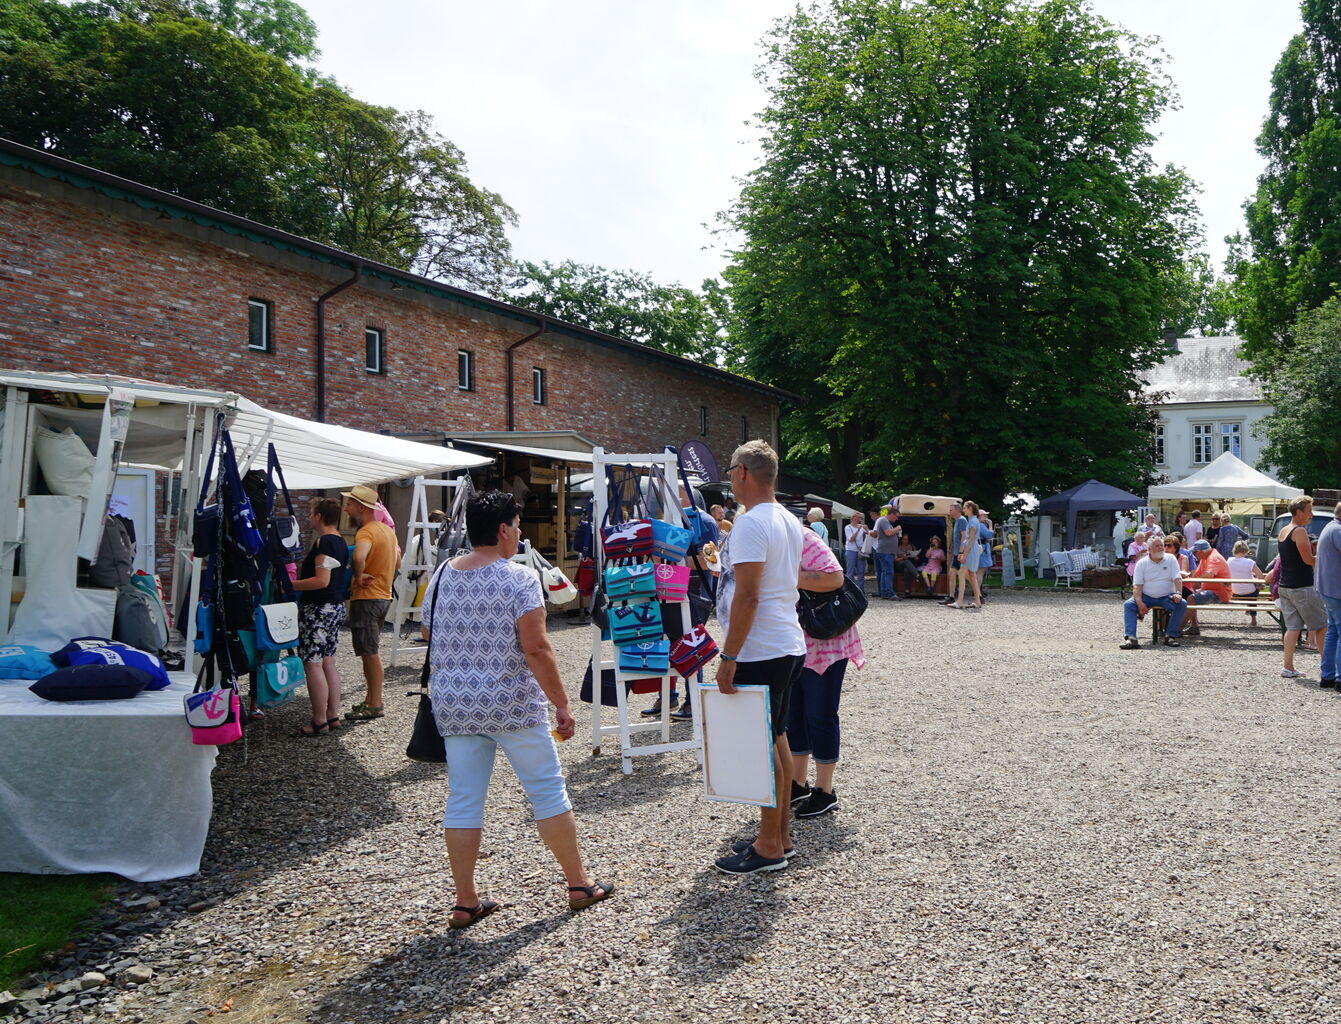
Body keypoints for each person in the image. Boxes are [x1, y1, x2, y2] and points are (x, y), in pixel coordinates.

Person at [422, 490, 613, 928]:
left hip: (455, 704)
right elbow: (537, 649)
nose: (521, 532)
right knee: (546, 789)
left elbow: (431, 633)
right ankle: (578, 883)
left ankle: (465, 900)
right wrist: (562, 703)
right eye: (518, 525)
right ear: (504, 529)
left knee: (464, 798)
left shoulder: (441, 575)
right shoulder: (519, 578)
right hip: (511, 703)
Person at [712, 440, 807, 875]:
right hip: (784, 642)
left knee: (762, 744)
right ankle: (779, 836)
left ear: (742, 473)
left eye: (731, 470)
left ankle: (769, 845)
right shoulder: (786, 518)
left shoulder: (751, 522)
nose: (730, 478)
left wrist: (729, 655)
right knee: (776, 737)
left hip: (761, 647)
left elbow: (748, 596)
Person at [787, 527, 864, 820]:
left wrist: (787, 575)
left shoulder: (801, 536)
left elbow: (834, 578)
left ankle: (825, 790)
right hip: (792, 642)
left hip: (824, 641)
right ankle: (798, 783)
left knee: (820, 714)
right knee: (794, 714)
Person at [290, 498, 348, 737]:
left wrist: (290, 585)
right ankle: (332, 715)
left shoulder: (324, 542)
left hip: (318, 608)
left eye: (312, 513)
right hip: (335, 606)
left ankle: (319, 720)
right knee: (328, 662)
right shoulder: (341, 541)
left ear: (319, 516)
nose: (309, 517)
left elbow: (321, 580)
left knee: (312, 663)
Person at [342, 484, 397, 721]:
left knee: (370, 653)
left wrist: (358, 575)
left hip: (367, 597)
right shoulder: (387, 531)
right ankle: (370, 699)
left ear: (362, 508)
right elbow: (398, 561)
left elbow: (358, 556)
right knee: (369, 651)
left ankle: (375, 704)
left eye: (350, 504)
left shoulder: (366, 532)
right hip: (383, 596)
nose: (346, 508)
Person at [1277, 495, 1328, 679]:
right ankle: (1328, 669)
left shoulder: (1283, 530)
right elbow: (1308, 560)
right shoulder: (1299, 531)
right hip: (1302, 587)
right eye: (1309, 511)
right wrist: (1325, 557)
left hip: (1285, 586)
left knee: (1292, 628)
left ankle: (1288, 667)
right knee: (1321, 626)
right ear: (1298, 512)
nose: (1311, 515)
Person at [1120, 534, 1186, 648]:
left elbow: (1177, 578)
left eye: (1162, 545)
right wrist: (1139, 602)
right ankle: (1131, 638)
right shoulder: (1142, 563)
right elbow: (1137, 586)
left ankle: (1170, 636)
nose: (1161, 548)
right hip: (1147, 596)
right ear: (1149, 549)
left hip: (1167, 596)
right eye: (1157, 546)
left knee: (1182, 604)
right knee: (1129, 605)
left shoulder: (1171, 559)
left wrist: (1178, 593)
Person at [1182, 539, 1231, 636]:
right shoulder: (1205, 558)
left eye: (1195, 552)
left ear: (1201, 551)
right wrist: (1189, 586)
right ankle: (1193, 627)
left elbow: (1209, 574)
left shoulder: (1213, 558)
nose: (1195, 555)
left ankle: (1177, 629)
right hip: (1212, 590)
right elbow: (1197, 576)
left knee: (1191, 599)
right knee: (1190, 596)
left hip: (1220, 593)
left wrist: (1193, 582)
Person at [1316, 502, 1341, 688]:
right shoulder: (1337, 531)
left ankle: (1328, 676)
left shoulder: (1329, 527)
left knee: (1333, 632)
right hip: (1336, 590)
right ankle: (1339, 678)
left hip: (1327, 588)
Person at [951, 500, 983, 609]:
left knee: (961, 574)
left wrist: (964, 554)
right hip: (971, 549)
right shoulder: (973, 520)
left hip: (970, 550)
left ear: (969, 508)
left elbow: (971, 540)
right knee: (972, 576)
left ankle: (959, 601)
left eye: (965, 508)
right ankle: (977, 602)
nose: (963, 510)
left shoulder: (973, 521)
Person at [1228, 539, 1266, 626]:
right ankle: (1253, 619)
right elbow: (1261, 576)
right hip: (1249, 593)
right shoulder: (1250, 562)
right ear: (1246, 551)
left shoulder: (1229, 561)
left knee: (1253, 583)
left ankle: (1249, 609)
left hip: (1234, 592)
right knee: (1257, 586)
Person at [872, 505, 902, 601]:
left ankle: (884, 593)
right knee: (888, 572)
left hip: (886, 551)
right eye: (896, 516)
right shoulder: (884, 521)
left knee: (885, 572)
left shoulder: (885, 521)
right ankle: (889, 593)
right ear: (891, 514)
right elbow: (888, 533)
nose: (897, 519)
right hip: (885, 552)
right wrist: (897, 528)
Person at [941, 501, 967, 605]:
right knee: (952, 573)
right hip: (957, 553)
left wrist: (961, 551)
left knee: (969, 575)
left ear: (957, 510)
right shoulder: (957, 521)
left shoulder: (962, 520)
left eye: (951, 510)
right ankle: (951, 597)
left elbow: (964, 536)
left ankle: (979, 596)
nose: (949, 512)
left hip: (960, 553)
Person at [843, 512, 868, 585]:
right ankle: (850, 589)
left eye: (859, 518)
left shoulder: (862, 527)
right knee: (850, 571)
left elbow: (867, 538)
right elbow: (851, 539)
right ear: (852, 518)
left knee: (861, 571)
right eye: (856, 517)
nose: (858, 519)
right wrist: (858, 530)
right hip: (851, 550)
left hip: (860, 551)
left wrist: (867, 530)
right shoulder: (848, 527)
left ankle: (861, 589)